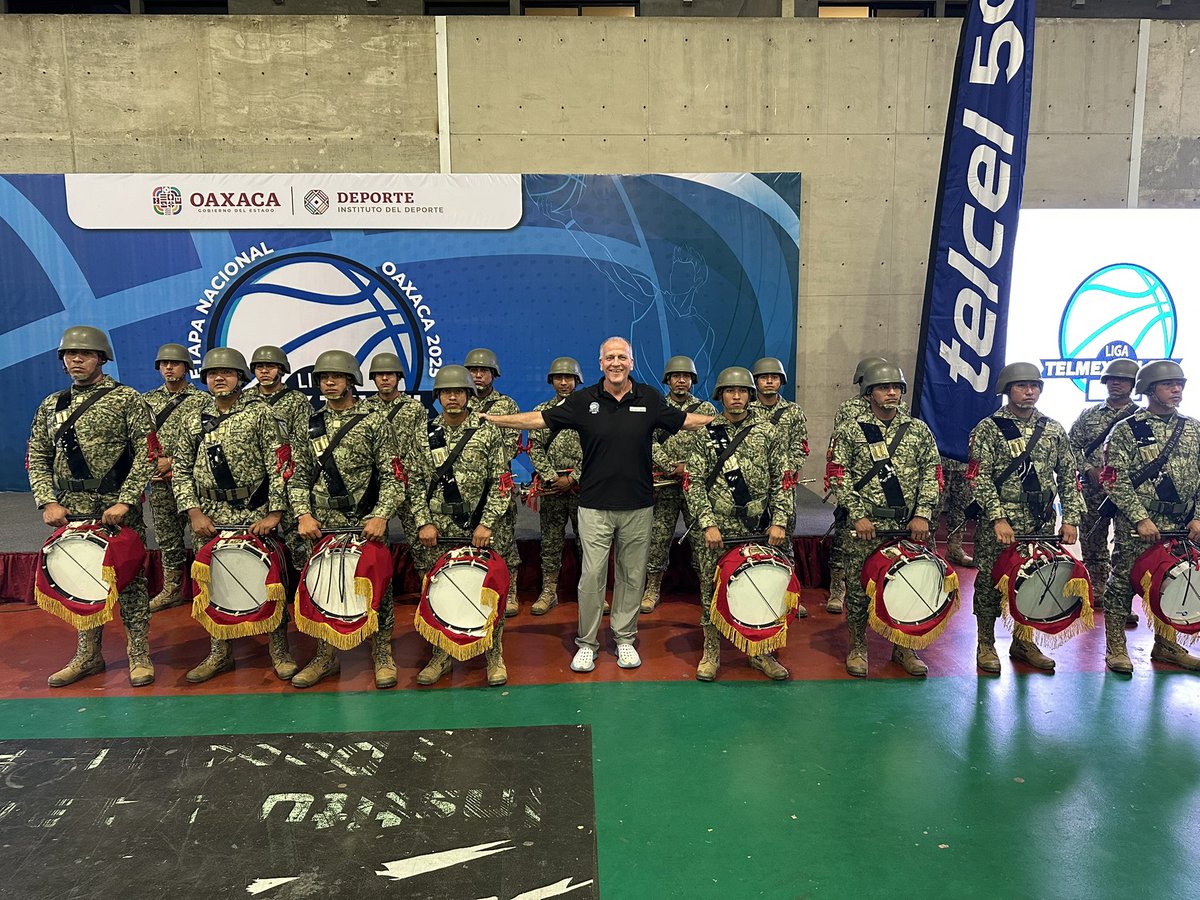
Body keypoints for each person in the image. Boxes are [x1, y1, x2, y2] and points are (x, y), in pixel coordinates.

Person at [480, 336, 712, 674]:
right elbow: (539, 419)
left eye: (622, 357)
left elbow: (686, 420)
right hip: (593, 507)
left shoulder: (648, 397)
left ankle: (625, 639)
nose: (616, 363)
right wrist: (497, 420)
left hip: (638, 507)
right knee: (591, 577)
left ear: (631, 362)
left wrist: (729, 423)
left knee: (632, 577)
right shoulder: (582, 400)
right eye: (609, 358)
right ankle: (587, 644)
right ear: (600, 363)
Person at [27, 326, 157, 687]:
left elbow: (148, 454)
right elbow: (37, 455)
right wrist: (48, 500)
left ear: (101, 358)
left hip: (115, 510)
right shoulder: (52, 405)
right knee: (82, 581)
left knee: (130, 582)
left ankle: (139, 653)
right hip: (71, 510)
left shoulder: (126, 398)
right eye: (70, 355)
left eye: (84, 354)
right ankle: (88, 655)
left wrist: (126, 500)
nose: (76, 360)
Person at [171, 347, 297, 684]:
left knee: (267, 583)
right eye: (213, 374)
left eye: (227, 373)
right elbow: (180, 469)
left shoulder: (260, 414)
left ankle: (279, 650)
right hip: (210, 517)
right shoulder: (193, 418)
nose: (219, 378)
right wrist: (193, 511)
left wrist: (275, 513)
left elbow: (280, 466)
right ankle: (220, 652)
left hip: (253, 513)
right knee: (216, 586)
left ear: (241, 377)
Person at [288, 351, 404, 689]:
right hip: (323, 526)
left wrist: (382, 514)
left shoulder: (373, 421)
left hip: (367, 524)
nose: (329, 382)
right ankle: (326, 656)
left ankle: (382, 653)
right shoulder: (310, 426)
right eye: (323, 377)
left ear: (351, 380)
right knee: (324, 592)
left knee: (376, 591)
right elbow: (296, 477)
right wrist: (303, 514)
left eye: (336, 377)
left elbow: (394, 476)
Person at [966, 362, 1083, 674]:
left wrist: (1070, 518)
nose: (1030, 391)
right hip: (1001, 525)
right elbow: (980, 478)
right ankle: (986, 643)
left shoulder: (1054, 428)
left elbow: (1069, 477)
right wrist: (997, 518)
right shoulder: (988, 428)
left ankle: (1023, 640)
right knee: (990, 583)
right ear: (1007, 390)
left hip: (1041, 523)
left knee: (1034, 580)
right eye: (1021, 385)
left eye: (1035, 385)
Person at [829, 361, 941, 678]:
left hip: (908, 527)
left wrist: (922, 515)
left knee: (908, 586)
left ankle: (903, 647)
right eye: (883, 387)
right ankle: (858, 646)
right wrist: (858, 514)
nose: (891, 392)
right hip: (865, 528)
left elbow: (932, 476)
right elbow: (838, 475)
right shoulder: (851, 431)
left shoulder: (918, 431)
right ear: (869, 393)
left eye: (896, 387)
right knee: (858, 588)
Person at [684, 367, 793, 681]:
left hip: (758, 526)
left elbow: (782, 483)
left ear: (750, 394)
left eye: (742, 391)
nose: (736, 396)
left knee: (761, 589)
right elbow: (694, 484)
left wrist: (779, 522)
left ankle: (760, 652)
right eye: (729, 391)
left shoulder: (768, 432)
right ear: (720, 395)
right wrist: (707, 524)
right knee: (712, 591)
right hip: (718, 527)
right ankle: (712, 651)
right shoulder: (706, 433)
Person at [408, 365, 513, 687]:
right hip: (436, 533)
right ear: (437, 396)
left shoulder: (487, 433)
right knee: (441, 593)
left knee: (485, 593)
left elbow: (502, 482)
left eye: (458, 391)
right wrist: (423, 522)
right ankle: (441, 654)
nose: (452, 397)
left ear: (469, 395)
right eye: (445, 392)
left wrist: (487, 523)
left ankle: (493, 654)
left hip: (478, 529)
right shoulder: (423, 434)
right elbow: (412, 483)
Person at [1101, 360, 1200, 673]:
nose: (1177, 390)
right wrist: (1139, 517)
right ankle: (1116, 646)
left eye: (1180, 384)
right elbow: (1113, 478)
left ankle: (1166, 644)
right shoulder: (1126, 430)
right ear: (1149, 389)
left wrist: (1198, 516)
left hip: (1182, 525)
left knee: (1172, 582)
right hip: (1139, 525)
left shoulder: (1193, 428)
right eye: (1169, 384)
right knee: (1123, 584)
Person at [642, 355, 716, 614]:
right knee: (658, 539)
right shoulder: (655, 406)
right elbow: (646, 441)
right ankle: (652, 589)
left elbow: (713, 444)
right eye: (676, 376)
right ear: (668, 380)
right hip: (664, 485)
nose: (681, 380)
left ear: (692, 380)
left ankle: (708, 588)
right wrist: (671, 467)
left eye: (686, 376)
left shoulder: (706, 410)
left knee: (702, 538)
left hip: (696, 487)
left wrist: (690, 469)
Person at [1068, 357, 1140, 620]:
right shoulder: (1089, 416)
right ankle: (1094, 589)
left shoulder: (1141, 417)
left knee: (1126, 547)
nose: (1116, 383)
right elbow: (1071, 446)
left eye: (1122, 379)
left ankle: (1118, 598)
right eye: (1111, 379)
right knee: (1093, 542)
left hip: (1128, 493)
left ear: (1134, 384)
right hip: (1093, 489)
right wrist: (1088, 469)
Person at [143, 343, 211, 613]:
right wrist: (154, 466)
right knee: (167, 537)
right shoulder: (147, 400)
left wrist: (174, 462)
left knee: (201, 536)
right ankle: (172, 588)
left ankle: (204, 590)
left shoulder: (204, 401)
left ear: (187, 367)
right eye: (164, 364)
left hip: (194, 482)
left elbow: (210, 443)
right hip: (160, 483)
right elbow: (140, 441)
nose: (169, 368)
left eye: (174, 363)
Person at [825, 356, 889, 615]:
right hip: (854, 485)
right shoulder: (848, 410)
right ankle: (837, 588)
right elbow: (836, 444)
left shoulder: (902, 412)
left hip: (887, 485)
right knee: (843, 538)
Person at [748, 356, 810, 614]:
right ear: (756, 381)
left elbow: (801, 447)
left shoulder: (793, 412)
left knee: (784, 540)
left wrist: (785, 471)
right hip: (751, 489)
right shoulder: (746, 410)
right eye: (764, 377)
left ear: (781, 381)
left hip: (783, 488)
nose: (770, 381)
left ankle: (789, 595)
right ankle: (754, 594)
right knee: (751, 539)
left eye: (774, 377)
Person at [464, 348, 523, 618]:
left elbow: (510, 445)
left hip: (498, 484)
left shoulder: (507, 406)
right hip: (466, 487)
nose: (477, 375)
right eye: (473, 370)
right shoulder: (459, 401)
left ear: (493, 374)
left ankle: (509, 592)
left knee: (505, 538)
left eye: (483, 371)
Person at [527, 357, 585, 616]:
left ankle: (590, 592)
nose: (563, 382)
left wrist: (574, 478)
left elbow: (597, 448)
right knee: (550, 541)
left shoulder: (590, 410)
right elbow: (535, 448)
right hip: (552, 489)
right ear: (551, 381)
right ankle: (549, 590)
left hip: (583, 488)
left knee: (589, 543)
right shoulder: (542, 410)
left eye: (568, 377)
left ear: (577, 380)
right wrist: (552, 477)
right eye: (558, 378)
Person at [249, 345, 313, 567]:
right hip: (254, 481)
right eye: (259, 367)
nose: (264, 371)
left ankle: (301, 587)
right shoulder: (245, 399)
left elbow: (303, 442)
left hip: (288, 477)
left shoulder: (296, 401)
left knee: (298, 541)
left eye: (270, 366)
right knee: (256, 540)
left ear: (282, 369)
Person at [365, 352, 427, 551]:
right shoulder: (364, 408)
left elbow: (421, 447)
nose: (384, 379)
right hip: (373, 484)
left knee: (420, 545)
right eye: (379, 374)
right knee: (373, 543)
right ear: (373, 378)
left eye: (390, 374)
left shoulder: (414, 408)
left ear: (398, 377)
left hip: (408, 483)